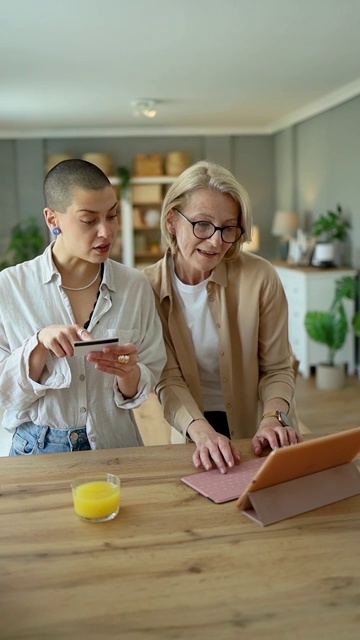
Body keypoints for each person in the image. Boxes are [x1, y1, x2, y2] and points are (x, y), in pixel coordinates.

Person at [144, 160, 303, 474]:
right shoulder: (147, 288)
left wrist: (273, 420)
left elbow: (277, 367)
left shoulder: (260, 277)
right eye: (202, 224)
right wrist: (202, 433)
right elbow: (167, 378)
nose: (216, 241)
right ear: (172, 220)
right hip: (192, 425)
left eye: (228, 228)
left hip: (262, 420)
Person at [0, 159, 166, 454]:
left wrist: (128, 373)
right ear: (53, 219)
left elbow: (149, 374)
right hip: (34, 450)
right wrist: (38, 344)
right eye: (89, 221)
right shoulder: (9, 287)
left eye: (112, 215)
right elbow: (4, 394)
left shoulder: (135, 286)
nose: (106, 231)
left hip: (116, 445)